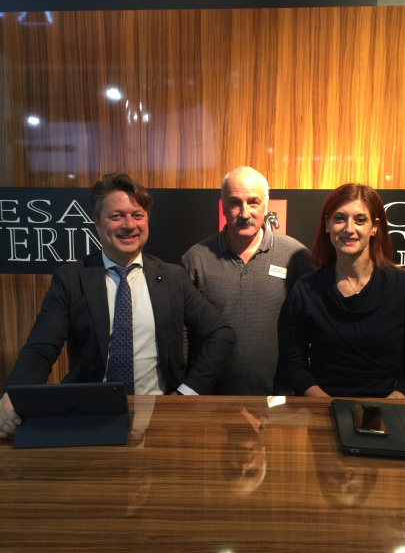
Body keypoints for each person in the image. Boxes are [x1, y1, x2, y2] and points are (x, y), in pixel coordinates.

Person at [0, 173, 236, 438]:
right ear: (97, 222)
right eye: (116, 216)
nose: (129, 225)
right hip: (88, 416)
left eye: (137, 215)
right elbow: (41, 348)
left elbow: (220, 333)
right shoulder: (71, 279)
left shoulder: (173, 278)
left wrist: (187, 393)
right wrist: (14, 394)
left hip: (159, 418)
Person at [282, 183, 405, 398]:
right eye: (340, 218)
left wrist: (387, 407)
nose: (349, 228)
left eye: (360, 220)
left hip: (388, 408)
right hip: (321, 407)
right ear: (327, 224)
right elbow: (293, 364)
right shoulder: (305, 289)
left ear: (375, 227)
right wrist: (328, 405)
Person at [181, 166, 312, 395]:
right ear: (223, 206)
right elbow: (183, 334)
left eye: (253, 202)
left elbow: (310, 329)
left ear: (266, 205)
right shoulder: (196, 259)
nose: (244, 213)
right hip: (210, 401)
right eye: (235, 203)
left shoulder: (296, 256)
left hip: (279, 399)